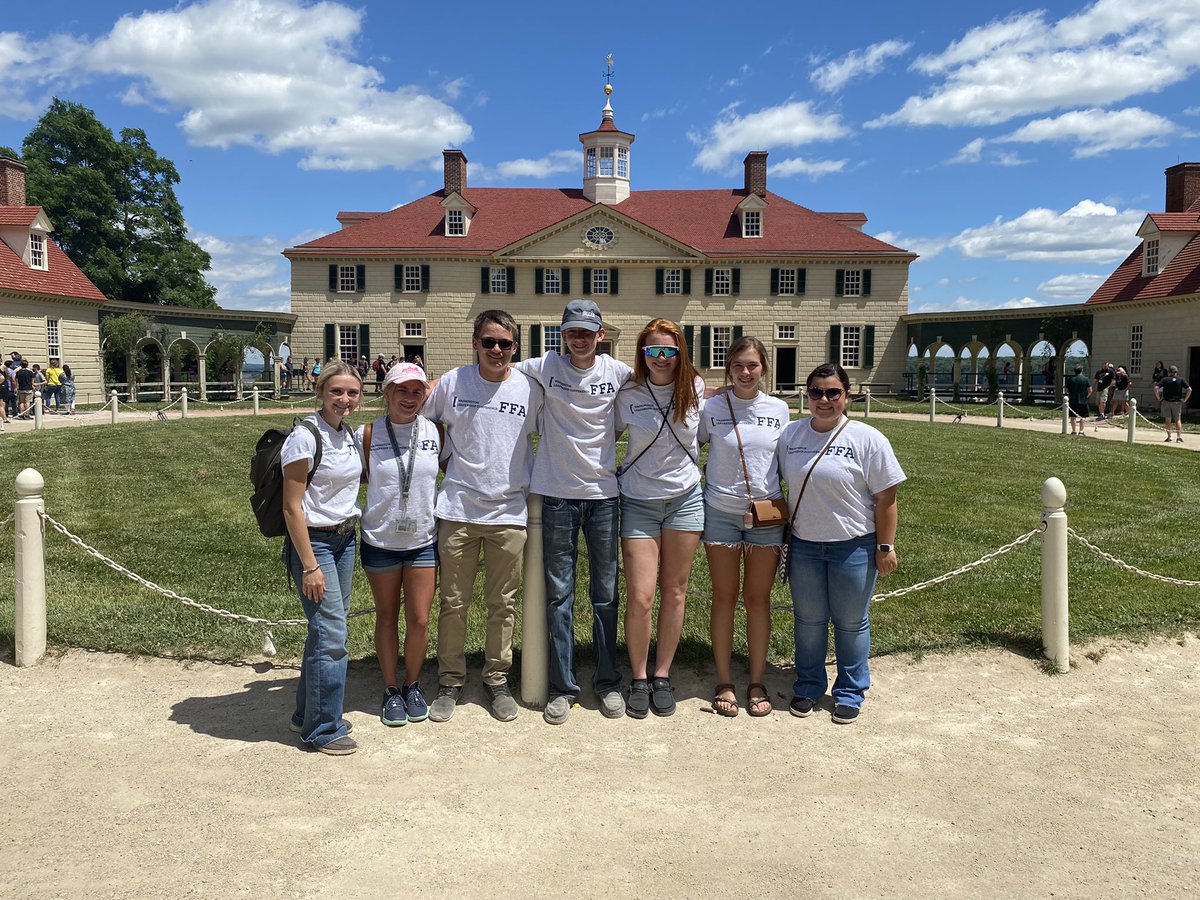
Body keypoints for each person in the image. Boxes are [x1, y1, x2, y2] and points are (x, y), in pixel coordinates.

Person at [516, 299, 634, 725]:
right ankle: (563, 687)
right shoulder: (544, 366)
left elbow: (664, 384)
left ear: (600, 334)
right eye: (572, 332)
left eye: (587, 331)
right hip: (557, 495)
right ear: (562, 334)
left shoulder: (619, 373)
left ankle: (607, 682)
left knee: (605, 595)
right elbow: (494, 368)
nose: (579, 339)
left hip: (604, 496)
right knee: (559, 596)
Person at [424, 310, 542, 723]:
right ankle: (450, 680)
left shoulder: (530, 389)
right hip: (457, 509)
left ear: (515, 348)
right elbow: (423, 422)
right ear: (474, 343)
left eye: (505, 344)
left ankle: (496, 678)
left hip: (509, 511)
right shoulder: (453, 382)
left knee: (502, 604)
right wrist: (444, 457)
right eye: (488, 342)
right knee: (453, 602)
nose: (496, 350)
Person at [778, 363, 905, 725]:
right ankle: (809, 684)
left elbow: (887, 499)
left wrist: (885, 546)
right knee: (809, 621)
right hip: (804, 545)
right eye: (816, 392)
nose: (824, 399)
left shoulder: (868, 439)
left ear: (846, 396)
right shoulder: (791, 436)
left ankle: (850, 690)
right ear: (808, 395)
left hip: (854, 545)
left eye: (833, 392)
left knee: (850, 623)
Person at [613, 319, 704, 718]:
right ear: (642, 353)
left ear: (681, 353)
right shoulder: (628, 391)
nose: (662, 358)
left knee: (676, 592)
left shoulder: (696, 389)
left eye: (669, 350)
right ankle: (638, 676)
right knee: (641, 595)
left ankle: (662, 673)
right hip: (638, 500)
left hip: (685, 499)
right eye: (653, 350)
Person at [698, 336, 790, 717]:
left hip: (766, 514)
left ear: (763, 367)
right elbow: (690, 445)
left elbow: (788, 460)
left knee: (757, 600)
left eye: (752, 365)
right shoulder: (713, 408)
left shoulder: (780, 410)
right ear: (728, 369)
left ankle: (756, 679)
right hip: (720, 510)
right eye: (738, 366)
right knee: (723, 597)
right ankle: (723, 680)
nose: (746, 372)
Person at [280, 359, 364, 755]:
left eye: (352, 392)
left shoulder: (345, 433)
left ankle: (305, 713)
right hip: (316, 545)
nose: (344, 399)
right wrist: (310, 564)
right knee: (332, 637)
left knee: (324, 633)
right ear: (320, 392)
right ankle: (322, 729)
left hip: (346, 539)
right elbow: (291, 507)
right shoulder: (305, 436)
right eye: (336, 392)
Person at [358, 362, 441, 727]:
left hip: (423, 539)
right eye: (402, 391)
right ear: (387, 393)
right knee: (387, 616)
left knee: (420, 619)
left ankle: (413, 684)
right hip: (380, 540)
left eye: (417, 391)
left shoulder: (435, 432)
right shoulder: (367, 434)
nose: (410, 398)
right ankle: (391, 689)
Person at [1156, 365, 1192, 443]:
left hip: (1166, 401)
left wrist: (1159, 398)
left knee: (1168, 419)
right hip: (1177, 402)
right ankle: (1178, 437)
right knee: (1177, 419)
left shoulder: (1165, 379)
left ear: (1169, 372)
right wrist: (1185, 399)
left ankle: (1169, 436)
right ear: (1176, 372)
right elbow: (1189, 389)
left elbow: (1156, 388)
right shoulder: (1181, 379)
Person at [1066, 365, 1093, 436]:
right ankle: (1081, 431)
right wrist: (1086, 397)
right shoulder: (1086, 379)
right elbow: (1090, 390)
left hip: (1073, 400)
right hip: (1083, 401)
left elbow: (1066, 390)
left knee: (1073, 417)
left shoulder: (1070, 379)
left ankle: (1073, 431)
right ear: (1082, 370)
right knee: (1083, 417)